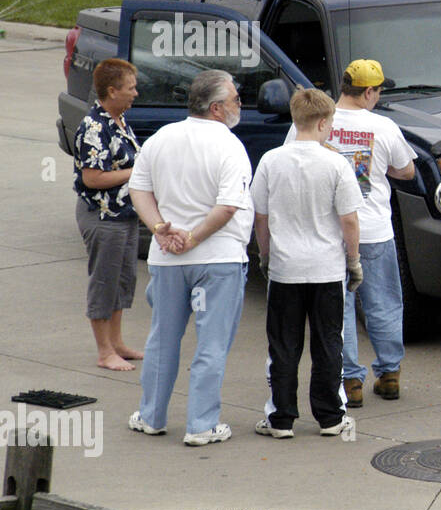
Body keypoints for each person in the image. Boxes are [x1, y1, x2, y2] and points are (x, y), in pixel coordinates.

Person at [127, 70, 253, 446]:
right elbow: (228, 206)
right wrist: (194, 238)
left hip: (167, 259)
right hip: (220, 257)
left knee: (162, 340)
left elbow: (139, 189)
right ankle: (201, 423)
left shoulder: (162, 139)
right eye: (235, 100)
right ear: (217, 108)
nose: (240, 105)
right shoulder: (230, 146)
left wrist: (160, 228)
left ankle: (151, 415)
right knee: (211, 344)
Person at [285, 59, 414, 404]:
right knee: (384, 303)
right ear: (369, 91)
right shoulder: (384, 126)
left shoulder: (314, 119)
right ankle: (389, 375)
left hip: (326, 233)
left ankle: (350, 382)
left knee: (339, 310)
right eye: (378, 91)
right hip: (373, 231)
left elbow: (291, 161)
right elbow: (407, 171)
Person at [252, 89, 363, 439]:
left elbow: (261, 217)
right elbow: (349, 221)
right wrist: (354, 260)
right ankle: (330, 416)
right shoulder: (336, 164)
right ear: (322, 122)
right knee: (329, 343)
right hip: (326, 269)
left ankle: (281, 417)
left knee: (283, 346)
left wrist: (265, 254)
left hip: (285, 269)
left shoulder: (271, 161)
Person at [72, 58, 145, 371]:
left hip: (123, 214)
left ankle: (117, 342)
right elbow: (93, 178)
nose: (136, 93)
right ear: (112, 91)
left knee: (123, 278)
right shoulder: (93, 127)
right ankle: (104, 352)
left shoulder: (119, 121)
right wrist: (135, 172)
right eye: (130, 88)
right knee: (105, 280)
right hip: (102, 216)